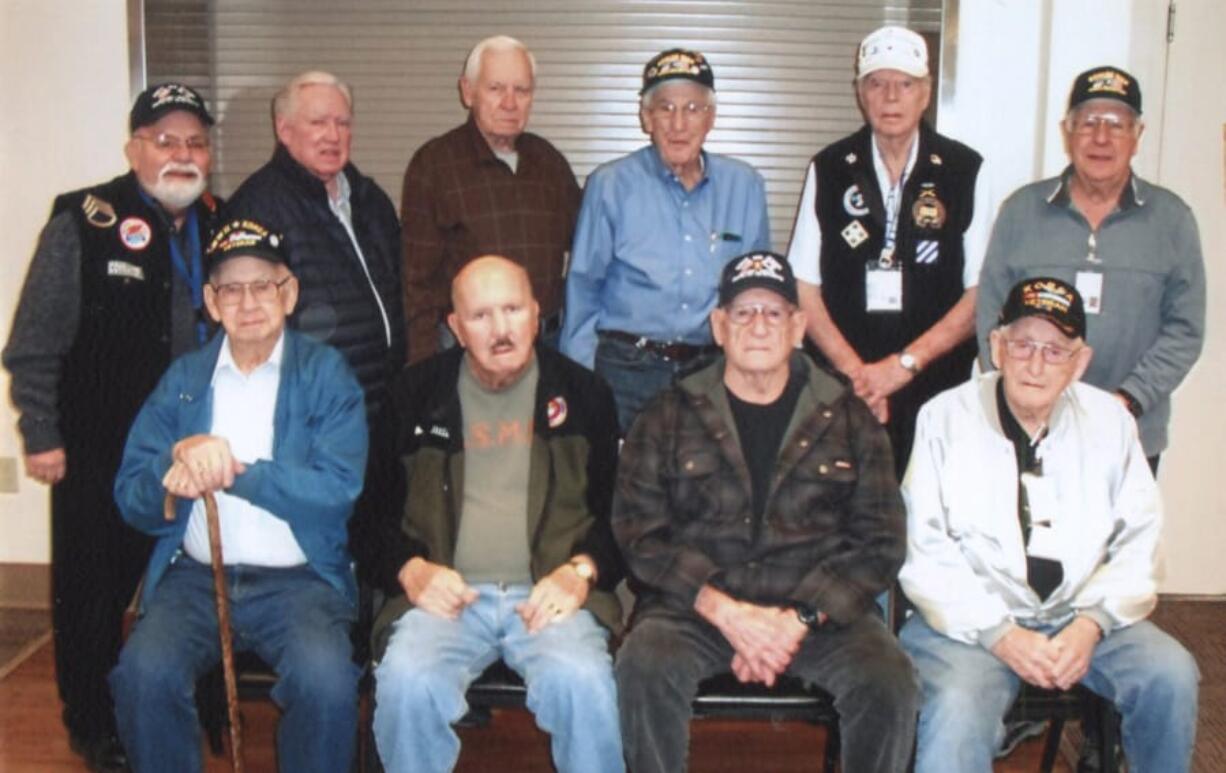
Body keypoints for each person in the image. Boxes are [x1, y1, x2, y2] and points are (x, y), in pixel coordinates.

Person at [614, 252, 918, 772]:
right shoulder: (666, 414)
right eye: (743, 313)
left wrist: (799, 618)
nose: (758, 326)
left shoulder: (849, 417)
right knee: (642, 665)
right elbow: (639, 532)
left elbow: (881, 542)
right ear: (718, 327)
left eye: (774, 313)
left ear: (799, 327)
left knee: (890, 679)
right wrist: (727, 612)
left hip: (818, 615)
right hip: (696, 610)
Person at [2, 82, 221, 771]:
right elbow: (34, 338)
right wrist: (41, 430)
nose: (181, 155)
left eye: (195, 143)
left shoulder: (218, 223)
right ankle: (92, 725)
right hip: (100, 448)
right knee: (91, 598)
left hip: (191, 446)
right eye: (165, 141)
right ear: (134, 148)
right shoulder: (85, 220)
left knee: (195, 576)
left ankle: (206, 705)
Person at [899, 276, 1200, 773]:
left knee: (1171, 674)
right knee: (955, 708)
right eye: (1022, 344)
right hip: (971, 625)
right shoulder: (944, 418)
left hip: (1082, 616)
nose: (1035, 365)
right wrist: (1001, 633)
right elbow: (923, 548)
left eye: (1055, 350)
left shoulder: (1112, 422)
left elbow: (1140, 539)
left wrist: (1090, 625)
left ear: (1080, 362)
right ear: (996, 346)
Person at [110, 219, 368, 772]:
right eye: (231, 288)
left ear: (290, 292)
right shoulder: (183, 379)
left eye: (264, 285)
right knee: (141, 675)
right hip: (197, 579)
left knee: (326, 685)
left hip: (299, 583)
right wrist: (172, 472)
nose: (248, 302)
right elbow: (130, 494)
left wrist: (233, 469)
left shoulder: (328, 375)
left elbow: (337, 492)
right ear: (210, 301)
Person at [362, 256, 624, 773]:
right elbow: (368, 520)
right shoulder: (413, 397)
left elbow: (622, 519)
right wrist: (412, 570)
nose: (501, 330)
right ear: (455, 328)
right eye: (480, 316)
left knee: (585, 683)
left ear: (536, 312)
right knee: (406, 684)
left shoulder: (585, 395)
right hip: (447, 600)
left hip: (551, 599)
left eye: (512, 309)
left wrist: (581, 572)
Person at [976, 66, 1205, 471]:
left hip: (1130, 432)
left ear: (1138, 136)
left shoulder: (1172, 220)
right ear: (1068, 131)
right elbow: (991, 318)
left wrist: (1128, 402)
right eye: (1089, 123)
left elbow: (1185, 330)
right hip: (1030, 430)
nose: (1101, 138)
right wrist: (1024, 402)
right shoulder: (1021, 211)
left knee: (1120, 537)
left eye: (1116, 124)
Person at [786, 25, 990, 477]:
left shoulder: (965, 170)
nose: (891, 97)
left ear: (926, 93)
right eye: (877, 83)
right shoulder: (831, 167)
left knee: (926, 519)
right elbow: (804, 286)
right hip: (844, 387)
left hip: (935, 385)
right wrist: (858, 374)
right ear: (860, 93)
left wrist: (903, 366)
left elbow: (980, 295)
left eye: (906, 84)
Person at [560, 48, 771, 432]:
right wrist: (580, 384)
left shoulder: (745, 187)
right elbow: (583, 288)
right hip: (625, 372)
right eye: (665, 109)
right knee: (624, 488)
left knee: (708, 489)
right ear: (646, 118)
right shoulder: (610, 185)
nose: (678, 124)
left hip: (711, 371)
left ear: (711, 118)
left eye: (692, 108)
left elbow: (756, 293)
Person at [224, 70, 404, 416]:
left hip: (380, 407)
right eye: (318, 122)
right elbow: (248, 328)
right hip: (313, 416)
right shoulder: (256, 207)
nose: (333, 136)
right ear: (284, 129)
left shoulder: (370, 200)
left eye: (343, 123)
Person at [401, 35, 581, 362]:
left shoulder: (549, 162)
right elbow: (416, 283)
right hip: (467, 351)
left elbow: (588, 253)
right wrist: (424, 370)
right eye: (496, 88)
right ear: (468, 92)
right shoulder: (434, 165)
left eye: (521, 90)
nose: (510, 103)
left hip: (546, 346)